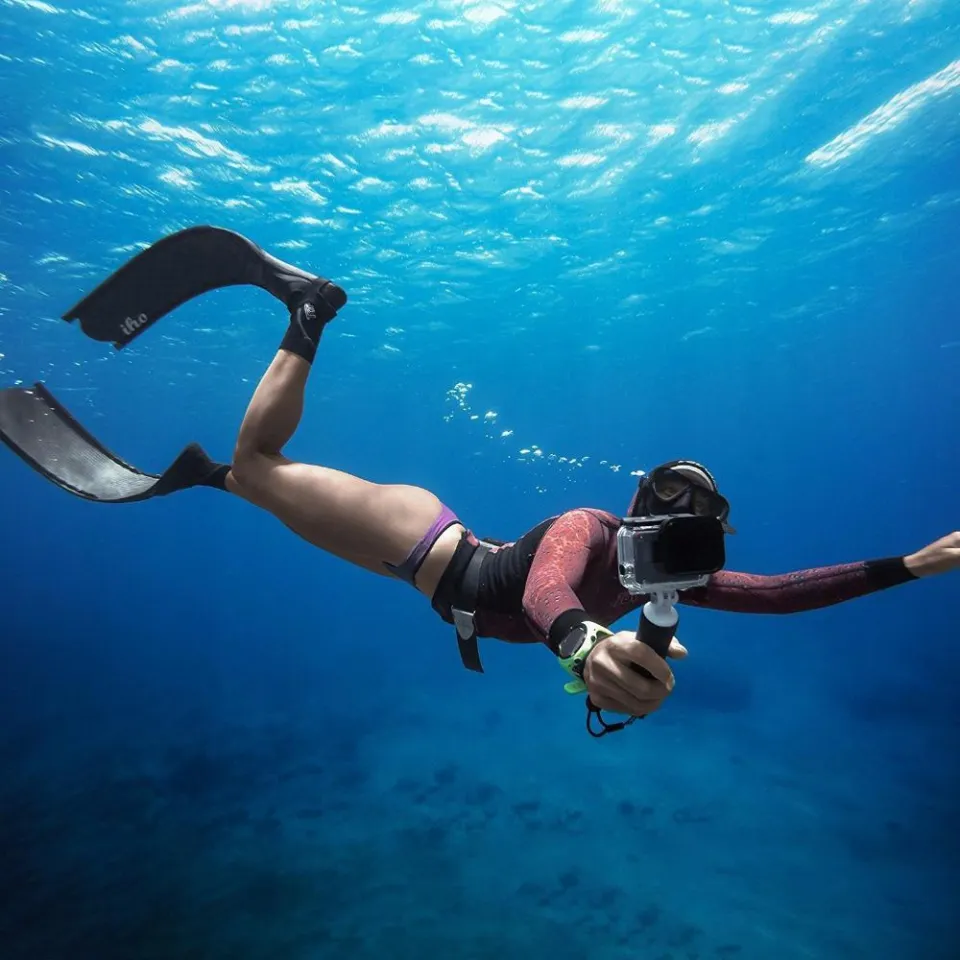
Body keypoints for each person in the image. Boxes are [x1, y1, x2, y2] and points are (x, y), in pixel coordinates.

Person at [2, 227, 957, 733]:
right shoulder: (590, 524)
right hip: (419, 539)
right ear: (632, 503)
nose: (660, 527)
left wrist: (907, 566)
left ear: (711, 533)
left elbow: (784, 595)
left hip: (416, 573)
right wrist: (584, 648)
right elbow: (548, 587)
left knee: (253, 482)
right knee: (264, 466)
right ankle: (303, 309)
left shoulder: (676, 581)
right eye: (658, 502)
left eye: (688, 518)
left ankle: (213, 478)